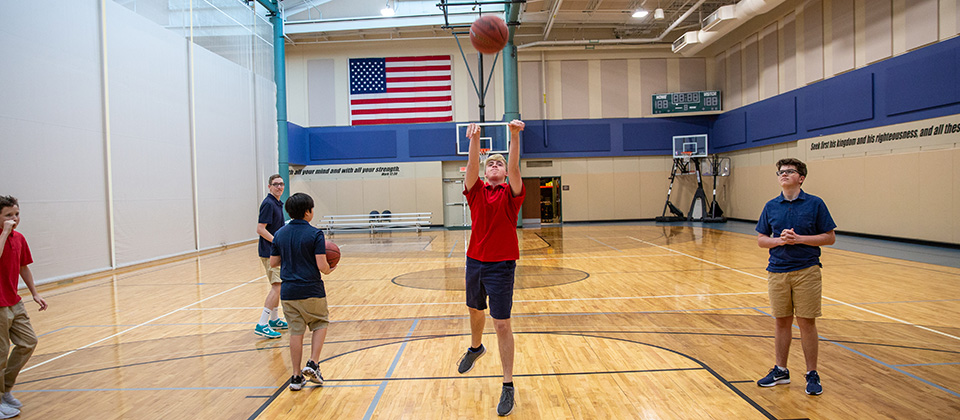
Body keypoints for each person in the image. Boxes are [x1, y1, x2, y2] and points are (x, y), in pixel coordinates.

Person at [455, 120, 525, 417]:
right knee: (474, 310)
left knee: (501, 324)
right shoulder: (477, 191)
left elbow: (516, 167)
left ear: (505, 172)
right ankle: (475, 348)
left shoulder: (511, 194)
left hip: (502, 265)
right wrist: (474, 139)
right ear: (485, 173)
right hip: (475, 261)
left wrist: (514, 137)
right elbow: (471, 166)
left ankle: (507, 384)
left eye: (500, 163)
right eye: (491, 163)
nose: (495, 165)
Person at [755, 158, 836, 396]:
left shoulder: (815, 204)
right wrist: (780, 240)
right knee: (781, 321)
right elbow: (761, 239)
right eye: (781, 172)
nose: (784, 174)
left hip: (806, 270)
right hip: (777, 271)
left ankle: (812, 374)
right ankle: (781, 369)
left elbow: (829, 237)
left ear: (801, 177)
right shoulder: (771, 206)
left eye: (790, 171)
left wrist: (799, 239)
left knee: (806, 321)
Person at [269, 193, 336, 391]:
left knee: (295, 333)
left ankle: (296, 377)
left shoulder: (280, 233)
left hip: (289, 292)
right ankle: (313, 363)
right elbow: (322, 265)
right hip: (311, 288)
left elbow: (273, 262)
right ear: (307, 212)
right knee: (320, 322)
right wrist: (330, 269)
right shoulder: (315, 234)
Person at [0, 196, 48, 419]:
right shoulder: (3, 237)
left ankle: (5, 390)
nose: (14, 219)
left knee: (29, 342)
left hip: (14, 301)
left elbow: (23, 267)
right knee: (0, 354)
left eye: (16, 214)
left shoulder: (19, 239)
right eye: (8, 215)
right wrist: (4, 234)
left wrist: (35, 293)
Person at [255, 174, 288, 339]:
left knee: (279, 285)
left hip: (274, 251)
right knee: (277, 286)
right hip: (269, 251)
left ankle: (274, 319)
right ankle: (262, 323)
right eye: (276, 184)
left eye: (281, 184)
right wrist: (277, 242)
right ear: (269, 186)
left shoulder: (276, 203)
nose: (279, 187)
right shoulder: (268, 203)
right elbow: (260, 229)